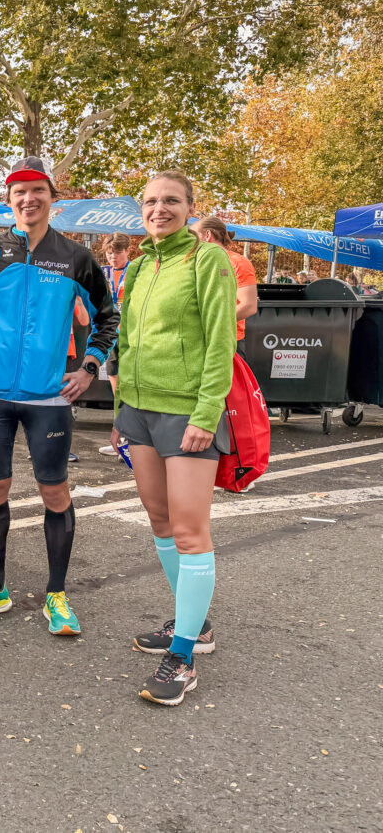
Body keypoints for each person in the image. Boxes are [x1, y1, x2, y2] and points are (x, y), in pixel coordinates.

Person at [0, 156, 119, 636]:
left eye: (38, 190)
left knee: (54, 491)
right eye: (19, 192)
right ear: (9, 201)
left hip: (48, 398)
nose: (28, 199)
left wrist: (89, 367)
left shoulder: (76, 257)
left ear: (52, 200)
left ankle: (57, 595)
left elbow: (108, 317)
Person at [112, 171, 235, 706]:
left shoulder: (207, 260)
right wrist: (120, 410)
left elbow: (219, 341)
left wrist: (206, 414)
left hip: (187, 412)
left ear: (189, 207)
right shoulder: (138, 266)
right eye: (151, 202)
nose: (159, 209)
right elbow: (127, 340)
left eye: (171, 201)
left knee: (189, 529)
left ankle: (182, 658)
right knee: (160, 521)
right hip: (138, 410)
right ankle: (195, 626)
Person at [192, 217, 258, 351]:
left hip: (226, 341)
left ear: (207, 235)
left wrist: (209, 325)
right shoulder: (196, 262)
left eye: (193, 236)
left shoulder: (237, 262)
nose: (190, 242)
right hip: (198, 340)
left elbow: (248, 306)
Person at [97, 233, 131, 456]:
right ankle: (121, 438)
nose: (113, 257)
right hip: (111, 336)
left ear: (127, 251)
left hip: (132, 335)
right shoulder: (102, 272)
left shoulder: (136, 270)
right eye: (109, 253)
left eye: (117, 253)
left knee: (131, 387)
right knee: (117, 389)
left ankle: (132, 439)